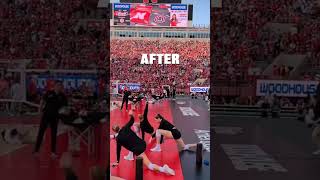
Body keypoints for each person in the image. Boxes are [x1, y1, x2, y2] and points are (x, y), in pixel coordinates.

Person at [110, 111, 175, 176]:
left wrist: (117, 161)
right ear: (119, 126)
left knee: (149, 165)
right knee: (132, 145)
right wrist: (131, 115)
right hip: (142, 144)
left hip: (138, 149)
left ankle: (163, 169)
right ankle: (130, 156)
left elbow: (118, 150)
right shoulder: (125, 127)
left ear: (114, 131)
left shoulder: (118, 138)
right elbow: (132, 121)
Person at [33, 80, 68, 158]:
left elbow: (65, 108)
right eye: (57, 85)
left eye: (60, 85)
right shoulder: (49, 93)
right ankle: (36, 150)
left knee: (54, 135)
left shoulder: (63, 96)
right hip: (46, 115)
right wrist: (39, 110)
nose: (59, 87)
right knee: (41, 132)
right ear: (54, 86)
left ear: (62, 87)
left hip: (55, 117)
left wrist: (63, 116)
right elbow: (42, 101)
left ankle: (53, 152)